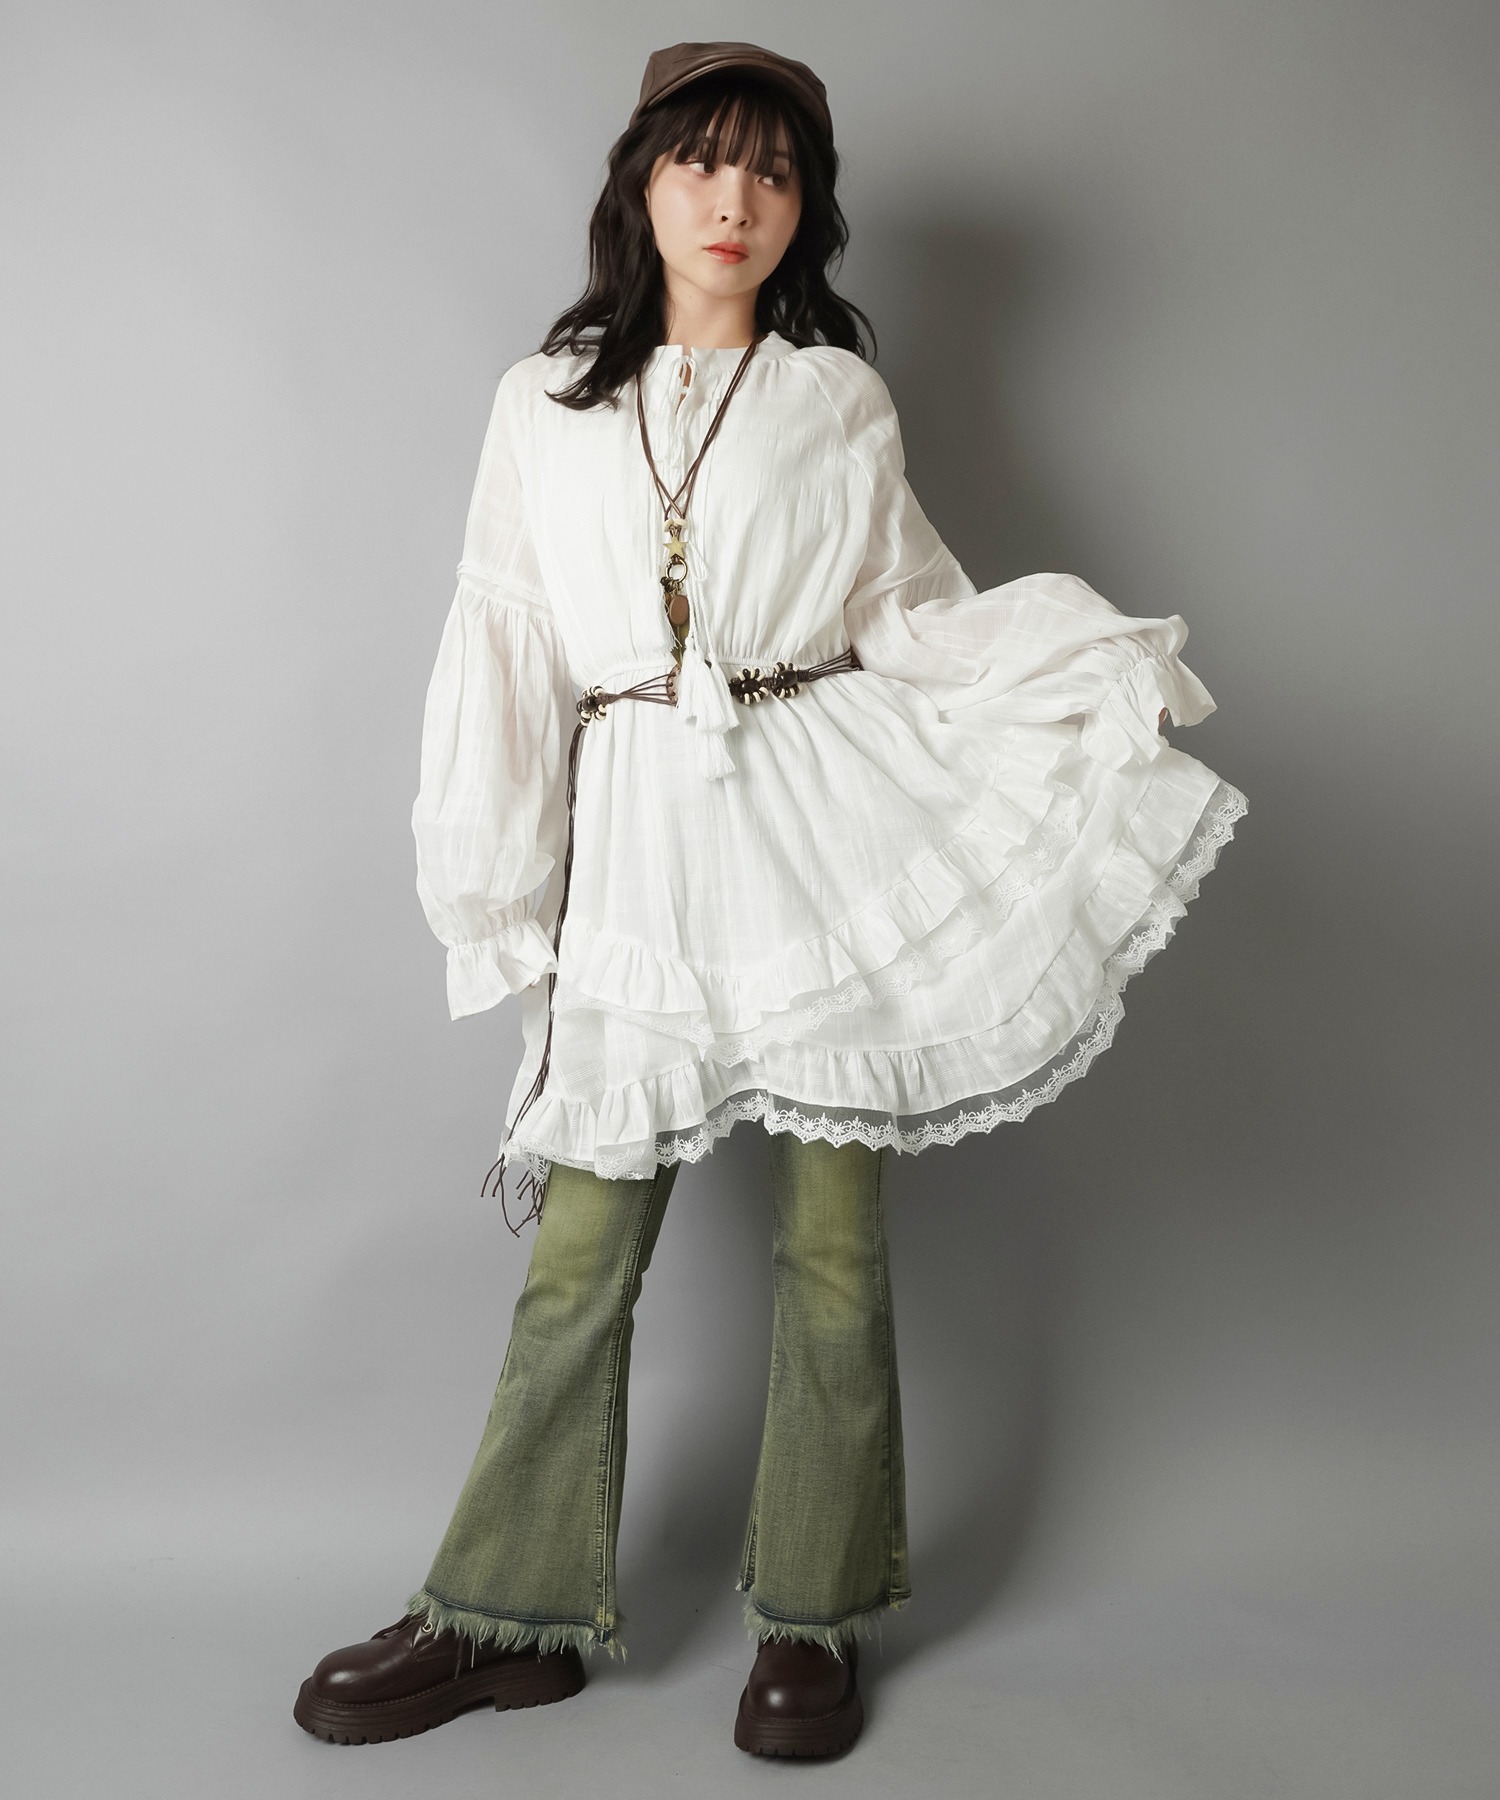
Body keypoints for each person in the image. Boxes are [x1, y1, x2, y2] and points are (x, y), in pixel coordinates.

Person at [292, 39, 1247, 1761]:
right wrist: (500, 880)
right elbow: (507, 642)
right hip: (639, 842)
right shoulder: (542, 402)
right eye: (703, 162)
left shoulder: (836, 400)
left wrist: (1080, 666)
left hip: (820, 830)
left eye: (774, 171)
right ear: (642, 183)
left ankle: (812, 1618)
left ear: (805, 208)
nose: (735, 199)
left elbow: (909, 616)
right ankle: (504, 1613)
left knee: (833, 1247)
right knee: (581, 1254)